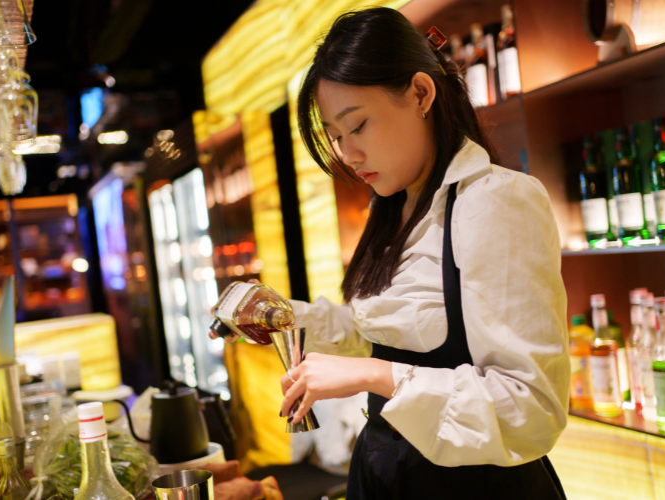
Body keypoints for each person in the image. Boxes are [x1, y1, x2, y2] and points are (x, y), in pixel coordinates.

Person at [226, 7, 569, 499]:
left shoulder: (495, 200)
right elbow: (390, 334)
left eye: (358, 125)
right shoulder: (395, 206)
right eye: (337, 136)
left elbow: (530, 408)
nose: (347, 154)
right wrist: (281, 317)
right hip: (389, 472)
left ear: (421, 93)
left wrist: (371, 376)